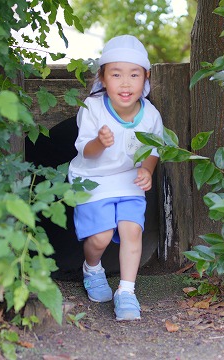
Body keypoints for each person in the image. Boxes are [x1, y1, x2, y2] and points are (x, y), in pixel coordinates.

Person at [68, 35, 164, 321]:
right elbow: (86, 151)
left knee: (131, 230)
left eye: (134, 75)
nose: (125, 83)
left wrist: (147, 169)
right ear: (103, 78)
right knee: (100, 236)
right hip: (93, 177)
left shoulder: (150, 115)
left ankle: (126, 290)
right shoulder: (94, 108)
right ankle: (92, 267)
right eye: (116, 74)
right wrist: (100, 141)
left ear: (145, 78)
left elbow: (154, 149)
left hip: (128, 180)